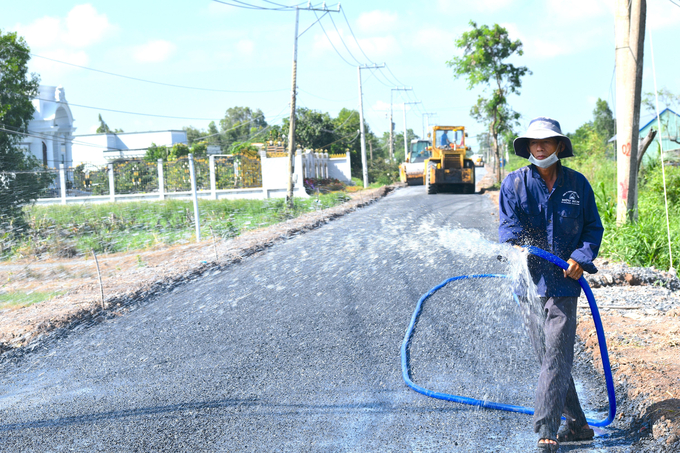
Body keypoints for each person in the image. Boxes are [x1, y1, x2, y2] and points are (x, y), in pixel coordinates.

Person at [498, 117, 604, 452]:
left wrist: (580, 257)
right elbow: (509, 232)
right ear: (527, 147)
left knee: (556, 355)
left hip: (564, 283)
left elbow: (592, 229)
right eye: (533, 142)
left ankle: (547, 428)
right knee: (549, 357)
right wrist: (514, 247)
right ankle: (579, 424)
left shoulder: (578, 185)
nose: (539, 147)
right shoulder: (514, 184)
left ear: (559, 146)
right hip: (529, 284)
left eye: (546, 142)